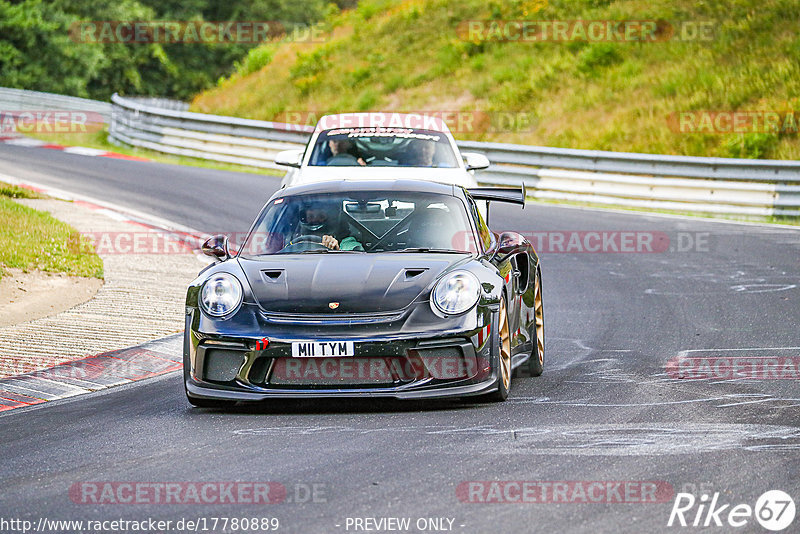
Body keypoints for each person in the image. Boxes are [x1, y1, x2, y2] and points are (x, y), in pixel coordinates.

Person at [293, 201, 364, 251]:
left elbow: (358, 254)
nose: (315, 221)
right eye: (310, 217)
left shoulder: (346, 242)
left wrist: (338, 250)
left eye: (321, 216)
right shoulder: (295, 242)